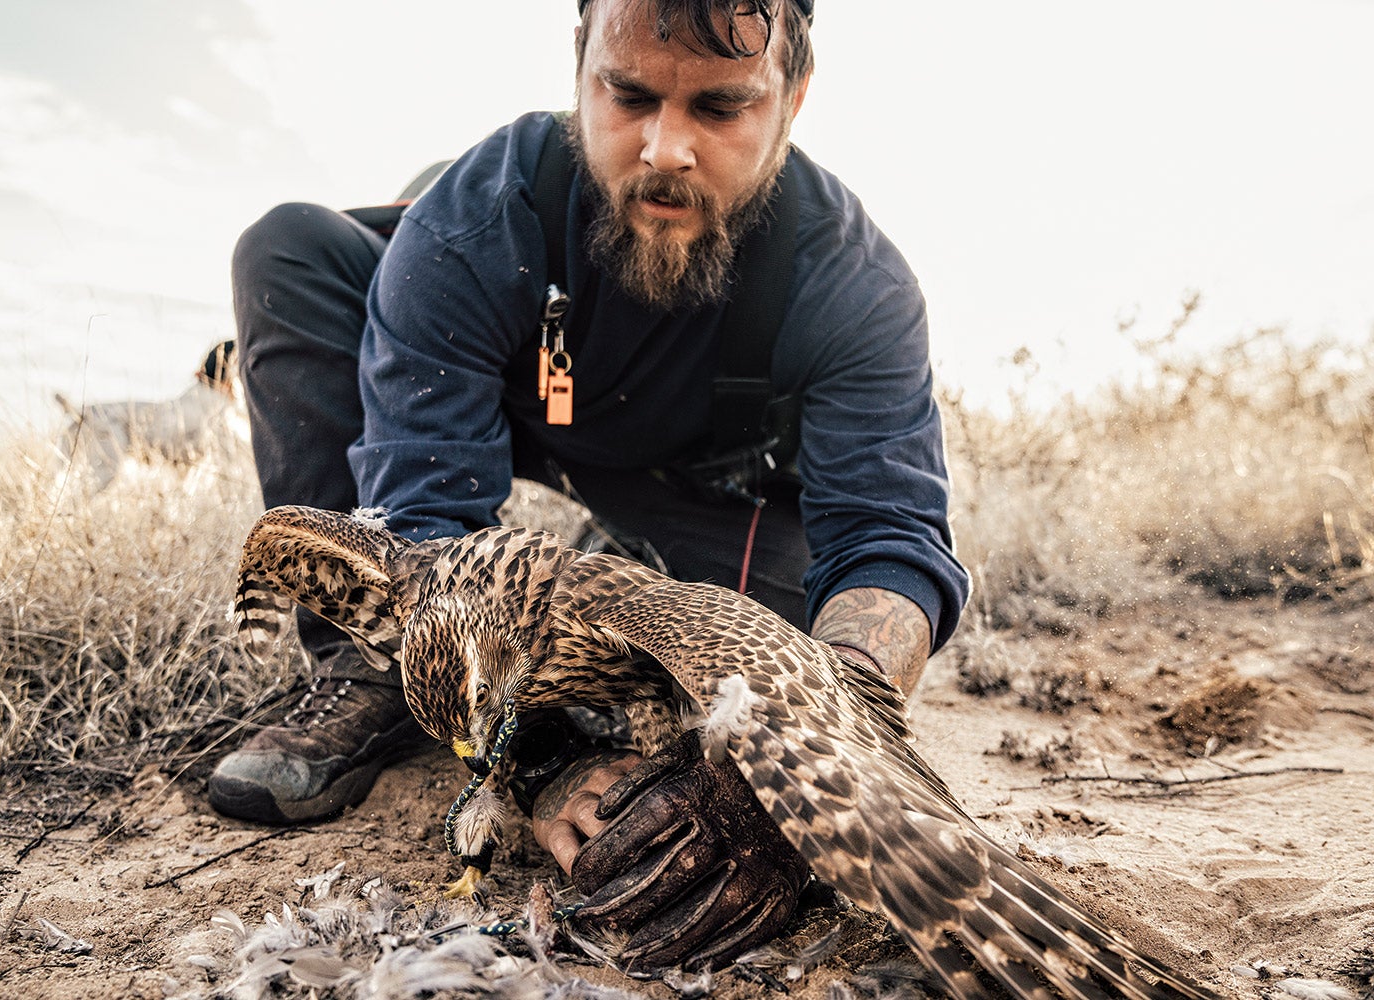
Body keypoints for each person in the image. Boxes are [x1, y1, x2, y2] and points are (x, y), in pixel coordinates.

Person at [211, 0, 969, 971]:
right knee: (292, 245)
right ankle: (370, 672)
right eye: (630, 94)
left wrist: (820, 734)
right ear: (579, 66)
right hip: (518, 422)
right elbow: (425, 527)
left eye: (722, 107)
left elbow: (890, 538)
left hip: (704, 490)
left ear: (794, 98)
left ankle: (632, 602)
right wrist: (544, 753)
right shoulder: (480, 212)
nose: (666, 149)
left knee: (766, 659)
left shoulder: (854, 282)